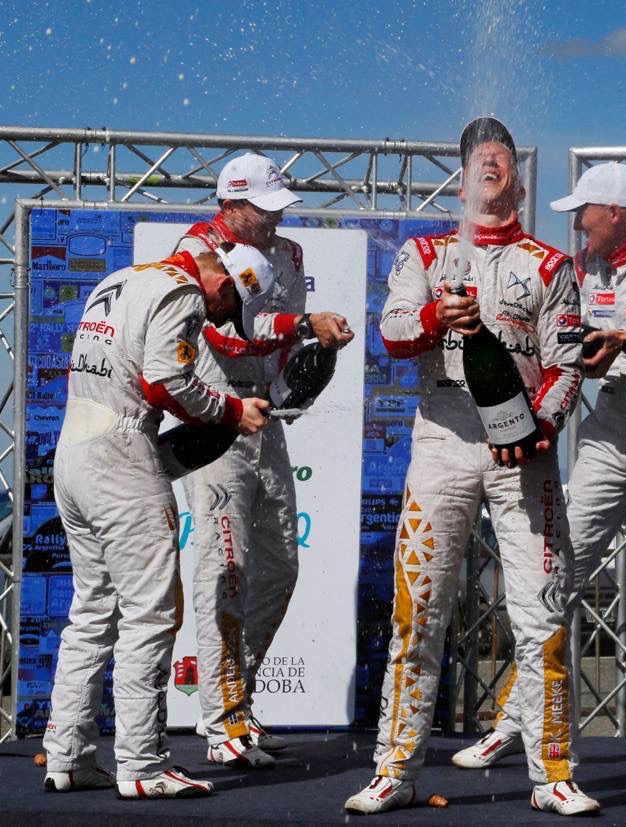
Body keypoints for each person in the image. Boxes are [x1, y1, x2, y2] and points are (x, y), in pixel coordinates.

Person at [343, 117, 598, 817]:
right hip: (442, 441)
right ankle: (395, 769)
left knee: (542, 614)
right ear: (460, 183)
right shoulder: (424, 252)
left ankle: (553, 774)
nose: (490, 158)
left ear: (519, 180)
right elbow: (392, 331)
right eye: (477, 155)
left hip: (523, 455)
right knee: (417, 614)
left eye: (502, 154)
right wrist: (436, 317)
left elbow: (568, 365)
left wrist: (540, 428)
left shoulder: (550, 264)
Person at [452, 162, 626, 778]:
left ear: (617, 211)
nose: (576, 222)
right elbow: (571, 340)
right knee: (556, 576)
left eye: (584, 211)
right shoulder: (582, 266)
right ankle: (518, 722)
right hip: (608, 423)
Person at [43, 243, 275, 799]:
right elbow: (165, 381)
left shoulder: (120, 278)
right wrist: (231, 410)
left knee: (91, 611)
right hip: (121, 457)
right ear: (227, 284)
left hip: (72, 453)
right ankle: (142, 765)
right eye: (231, 308)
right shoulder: (184, 292)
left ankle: (67, 756)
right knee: (150, 615)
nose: (222, 320)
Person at [174, 153, 353, 769]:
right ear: (230, 203)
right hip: (215, 413)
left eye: (280, 208)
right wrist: (305, 324)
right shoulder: (197, 251)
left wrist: (309, 365)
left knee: (280, 565)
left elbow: (280, 343)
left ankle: (238, 702)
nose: (276, 219)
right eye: (264, 209)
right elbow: (226, 335)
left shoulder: (291, 254)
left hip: (266, 417)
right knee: (224, 567)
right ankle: (220, 718)